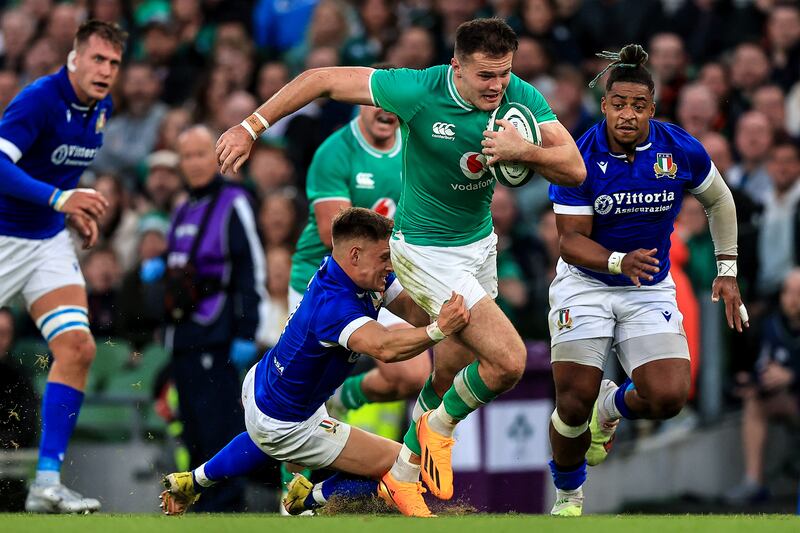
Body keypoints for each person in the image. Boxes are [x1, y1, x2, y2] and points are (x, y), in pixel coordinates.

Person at [215, 17, 585, 502]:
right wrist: (252, 125)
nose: (497, 86)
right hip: (425, 251)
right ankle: (430, 440)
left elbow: (574, 167)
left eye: (503, 74)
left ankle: (393, 474)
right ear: (456, 67)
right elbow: (321, 79)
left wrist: (526, 150)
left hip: (479, 245)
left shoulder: (519, 96)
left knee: (449, 372)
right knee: (509, 362)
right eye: (485, 76)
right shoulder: (416, 90)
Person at [159, 207, 470, 517]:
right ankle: (308, 497)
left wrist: (437, 296)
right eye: (384, 258)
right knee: (402, 464)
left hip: (263, 386)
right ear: (356, 254)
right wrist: (439, 329)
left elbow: (414, 313)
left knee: (261, 438)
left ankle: (193, 481)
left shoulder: (351, 272)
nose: (389, 267)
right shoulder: (334, 305)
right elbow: (386, 348)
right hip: (288, 424)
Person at [546, 44, 747, 517]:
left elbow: (720, 201)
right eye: (619, 104)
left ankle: (611, 408)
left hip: (647, 285)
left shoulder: (678, 149)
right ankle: (569, 494)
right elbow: (569, 241)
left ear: (652, 110)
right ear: (606, 106)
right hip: (586, 282)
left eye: (639, 106)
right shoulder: (578, 156)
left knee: (669, 395)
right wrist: (617, 261)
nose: (628, 114)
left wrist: (727, 269)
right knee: (573, 401)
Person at [0, 20, 126, 514]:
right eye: (97, 59)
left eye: (113, 63)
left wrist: (69, 211)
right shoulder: (39, 98)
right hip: (4, 235)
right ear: (73, 58)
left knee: (77, 346)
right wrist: (60, 198)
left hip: (47, 242)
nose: (106, 71)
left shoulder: (102, 108)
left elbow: (59, 169)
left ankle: (46, 482)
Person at [291, 79, 430, 423]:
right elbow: (333, 233)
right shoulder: (335, 152)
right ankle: (290, 472)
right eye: (377, 102)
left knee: (412, 376)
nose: (385, 110)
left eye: (392, 102)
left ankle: (345, 398)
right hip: (325, 280)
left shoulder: (415, 149)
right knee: (302, 398)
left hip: (383, 275)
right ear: (359, 103)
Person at [151, 125, 267, 512]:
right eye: (187, 156)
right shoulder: (182, 207)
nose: (194, 163)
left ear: (216, 157)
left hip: (220, 333)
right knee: (193, 427)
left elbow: (252, 267)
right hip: (183, 336)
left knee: (219, 425)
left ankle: (228, 505)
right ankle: (200, 506)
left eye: (201, 154)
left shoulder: (235, 201)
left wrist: (247, 329)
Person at [726, 268, 800, 504]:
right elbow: (755, 365)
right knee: (755, 403)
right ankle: (753, 482)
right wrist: (751, 382)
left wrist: (792, 376)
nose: (792, 299)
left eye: (798, 293)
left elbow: (789, 373)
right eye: (787, 292)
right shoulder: (769, 324)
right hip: (788, 402)